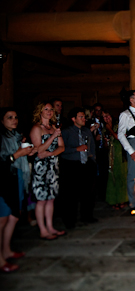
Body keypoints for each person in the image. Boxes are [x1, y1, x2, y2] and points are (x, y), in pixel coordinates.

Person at [0, 107, 37, 271]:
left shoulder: (16, 136)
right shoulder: (1, 137)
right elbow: (4, 160)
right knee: (2, 218)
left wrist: (29, 152)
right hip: (3, 180)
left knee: (14, 216)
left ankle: (7, 250)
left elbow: (19, 155)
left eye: (15, 117)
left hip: (17, 177)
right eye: (9, 117)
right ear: (1, 120)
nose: (14, 120)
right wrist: (17, 154)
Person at [30, 102, 65, 239]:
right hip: (41, 168)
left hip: (53, 165)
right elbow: (39, 150)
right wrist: (52, 136)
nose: (49, 111)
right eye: (46, 109)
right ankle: (42, 230)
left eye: (51, 109)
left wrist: (51, 154)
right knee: (41, 199)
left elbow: (61, 147)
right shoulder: (36, 129)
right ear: (40, 112)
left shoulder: (54, 128)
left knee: (51, 198)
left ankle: (50, 227)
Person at [59, 107, 98, 228]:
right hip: (72, 165)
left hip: (86, 164)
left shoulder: (86, 131)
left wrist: (92, 159)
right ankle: (70, 220)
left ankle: (87, 215)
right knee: (71, 194)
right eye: (80, 117)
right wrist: (76, 149)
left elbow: (92, 147)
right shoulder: (66, 132)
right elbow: (61, 150)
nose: (83, 119)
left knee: (88, 192)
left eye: (84, 117)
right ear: (73, 119)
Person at [102, 111, 128, 209]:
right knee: (112, 177)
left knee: (122, 177)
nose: (106, 118)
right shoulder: (104, 129)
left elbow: (119, 138)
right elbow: (105, 146)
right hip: (111, 156)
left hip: (121, 154)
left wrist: (110, 130)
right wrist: (105, 141)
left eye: (107, 115)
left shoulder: (118, 125)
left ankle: (123, 200)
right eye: (104, 117)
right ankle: (114, 200)